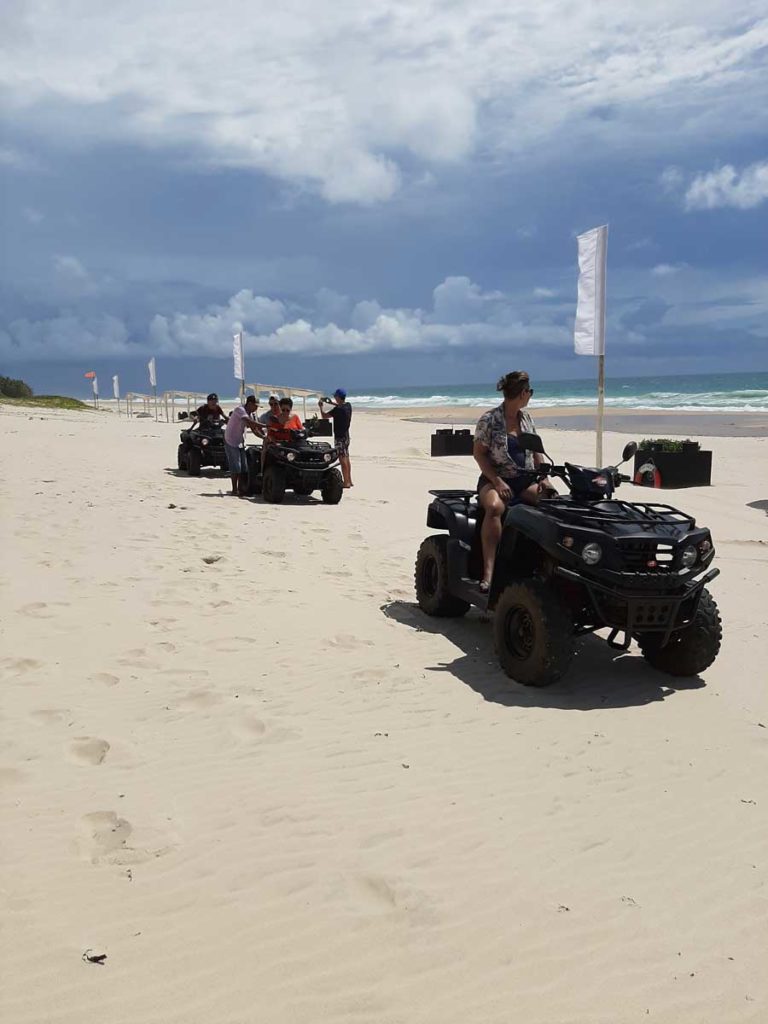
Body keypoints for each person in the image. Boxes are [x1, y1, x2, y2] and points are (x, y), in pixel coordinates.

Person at [473, 371, 552, 591]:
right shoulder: (489, 419)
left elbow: (537, 453)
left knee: (551, 504)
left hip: (524, 480)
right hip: (494, 480)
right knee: (495, 507)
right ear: (522, 393)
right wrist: (497, 482)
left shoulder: (526, 419)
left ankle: (542, 567)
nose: (530, 396)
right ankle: (489, 573)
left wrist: (545, 479)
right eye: (530, 392)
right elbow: (479, 454)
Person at [223, 394, 264, 497]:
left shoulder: (250, 414)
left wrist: (264, 437)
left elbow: (254, 429)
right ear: (249, 404)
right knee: (236, 466)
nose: (256, 408)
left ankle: (241, 489)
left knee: (244, 467)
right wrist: (264, 425)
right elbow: (249, 422)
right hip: (230, 440)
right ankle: (234, 490)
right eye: (255, 405)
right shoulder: (240, 410)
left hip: (239, 440)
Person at [319, 388, 353, 488]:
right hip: (346, 435)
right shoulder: (348, 406)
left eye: (335, 396)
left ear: (338, 397)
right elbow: (339, 405)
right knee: (346, 457)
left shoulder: (337, 410)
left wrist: (321, 407)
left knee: (342, 458)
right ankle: (349, 480)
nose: (334, 398)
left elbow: (324, 416)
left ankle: (346, 482)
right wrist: (330, 402)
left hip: (340, 437)